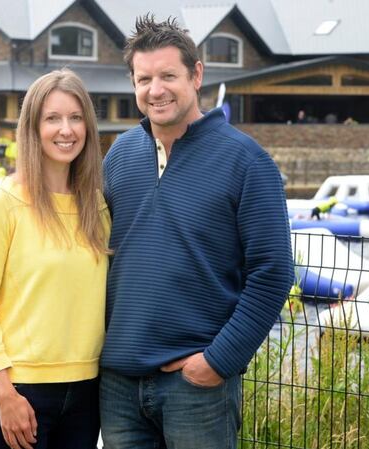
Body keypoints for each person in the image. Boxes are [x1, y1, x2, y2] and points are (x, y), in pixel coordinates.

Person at [100, 15, 294, 449]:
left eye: (168, 75)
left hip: (197, 386)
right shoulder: (118, 158)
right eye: (144, 78)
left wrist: (217, 362)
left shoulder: (247, 162)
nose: (156, 90)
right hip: (117, 385)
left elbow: (273, 273)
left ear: (197, 74)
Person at [0, 68, 110, 449]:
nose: (67, 130)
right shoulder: (3, 203)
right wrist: (3, 392)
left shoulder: (96, 205)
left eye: (76, 117)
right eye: (53, 118)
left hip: (86, 392)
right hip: (18, 390)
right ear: (32, 127)